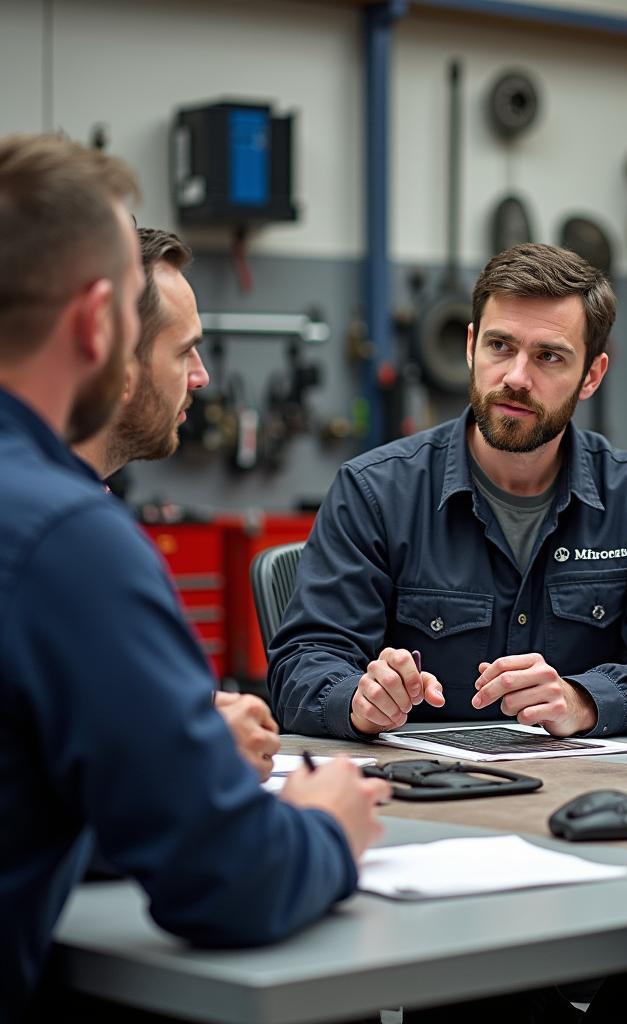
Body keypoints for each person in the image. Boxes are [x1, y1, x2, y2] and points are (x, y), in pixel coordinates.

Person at [0, 134, 390, 1018]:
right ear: (97, 322)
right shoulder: (69, 542)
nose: (201, 377)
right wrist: (327, 823)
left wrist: (165, 749)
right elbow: (225, 881)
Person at [269, 242, 627, 741]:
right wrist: (357, 699)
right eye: (500, 346)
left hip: (589, 788)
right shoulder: (375, 492)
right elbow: (301, 665)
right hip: (420, 791)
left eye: (549, 356)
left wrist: (586, 700)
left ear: (591, 375)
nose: (516, 378)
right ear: (470, 347)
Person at [74, 226, 280, 782]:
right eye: (185, 350)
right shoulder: (67, 536)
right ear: (119, 368)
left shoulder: (86, 507)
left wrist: (189, 715)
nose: (201, 376)